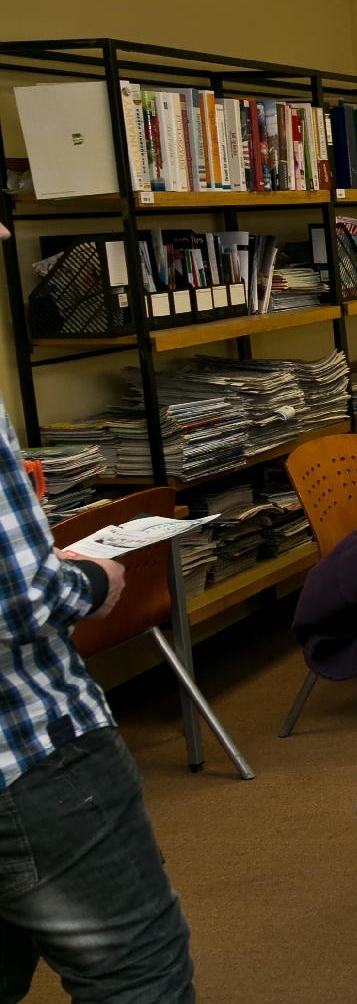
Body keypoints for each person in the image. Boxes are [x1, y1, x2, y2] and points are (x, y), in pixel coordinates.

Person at [0, 229, 195, 1004]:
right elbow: (18, 599)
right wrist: (88, 577)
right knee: (139, 977)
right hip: (30, 754)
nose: (6, 232)